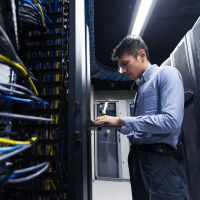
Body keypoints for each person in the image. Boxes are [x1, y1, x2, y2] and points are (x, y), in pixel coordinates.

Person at [94, 35, 188, 199]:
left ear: (141, 55)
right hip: (140, 160)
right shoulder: (140, 89)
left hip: (160, 161)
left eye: (125, 63)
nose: (123, 70)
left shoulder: (166, 74)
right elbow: (144, 132)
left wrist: (121, 120)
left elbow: (171, 122)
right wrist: (118, 126)